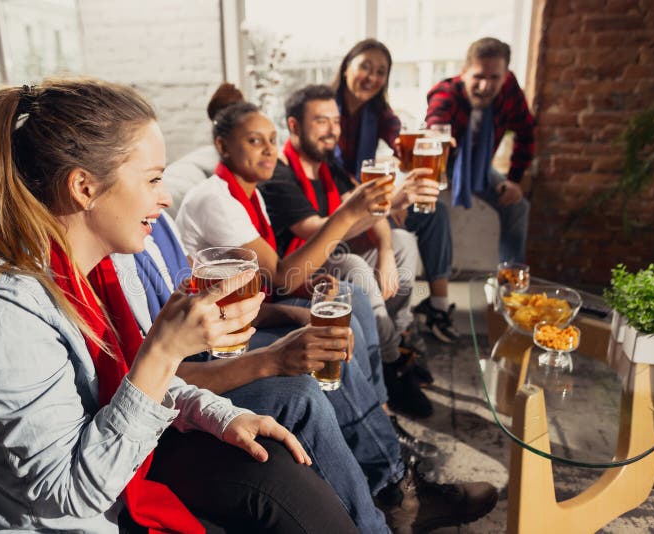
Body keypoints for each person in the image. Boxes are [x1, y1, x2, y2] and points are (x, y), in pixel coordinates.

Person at [0, 78, 359, 534]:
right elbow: (69, 494)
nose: (166, 197)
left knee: (282, 474)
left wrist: (223, 414)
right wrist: (164, 350)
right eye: (153, 179)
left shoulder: (105, 268)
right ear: (84, 188)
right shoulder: (1, 310)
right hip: (71, 515)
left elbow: (138, 385)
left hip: (119, 478)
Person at [173, 95, 498, 532]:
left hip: (250, 315)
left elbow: (270, 285)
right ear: (223, 146)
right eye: (255, 141)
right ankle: (395, 490)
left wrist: (314, 293)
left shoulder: (250, 193)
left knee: (349, 297)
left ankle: (380, 421)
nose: (270, 150)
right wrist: (348, 216)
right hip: (224, 339)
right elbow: (282, 279)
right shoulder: (216, 199)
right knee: (324, 345)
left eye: (272, 140)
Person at [257, 84, 437, 416]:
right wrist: (381, 206)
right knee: (353, 264)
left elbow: (367, 209)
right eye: (321, 121)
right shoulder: (279, 175)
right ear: (294, 126)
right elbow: (320, 230)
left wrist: (384, 249)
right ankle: (393, 365)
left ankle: (392, 349)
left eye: (336, 121)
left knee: (403, 243)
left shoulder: (331, 167)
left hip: (334, 257)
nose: (332, 130)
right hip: (301, 273)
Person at [333, 38, 460, 345]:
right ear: (347, 66)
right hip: (340, 207)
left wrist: (429, 144)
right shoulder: (327, 110)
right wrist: (389, 198)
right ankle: (396, 337)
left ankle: (438, 307)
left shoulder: (377, 112)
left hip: (369, 197)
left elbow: (401, 142)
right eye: (365, 66)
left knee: (435, 212)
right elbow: (335, 175)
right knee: (407, 226)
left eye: (381, 71)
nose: (372, 77)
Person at [425, 36, 534, 265]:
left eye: (494, 78)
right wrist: (436, 137)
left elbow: (526, 132)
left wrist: (514, 180)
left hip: (480, 166)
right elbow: (435, 120)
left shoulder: (509, 91)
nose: (485, 86)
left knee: (517, 206)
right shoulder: (447, 92)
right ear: (464, 71)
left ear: (505, 76)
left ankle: (510, 285)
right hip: (447, 164)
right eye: (478, 77)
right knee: (430, 212)